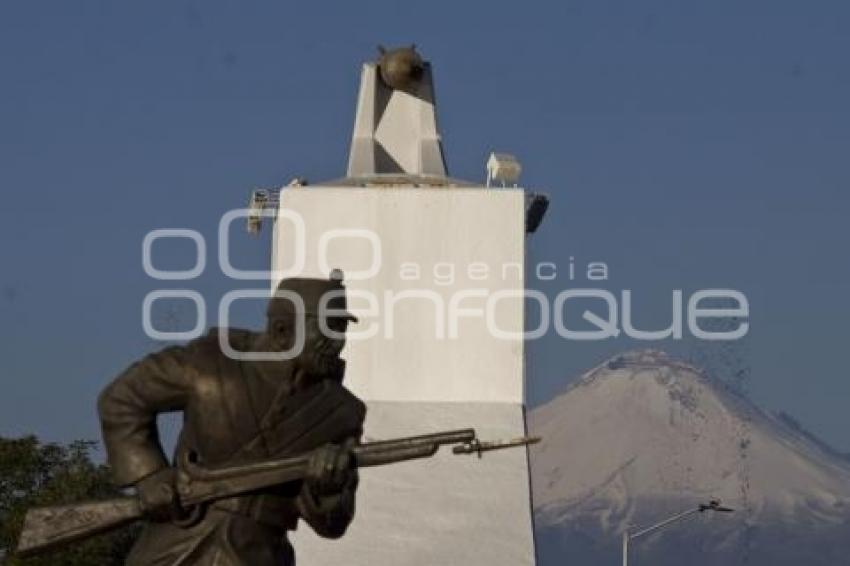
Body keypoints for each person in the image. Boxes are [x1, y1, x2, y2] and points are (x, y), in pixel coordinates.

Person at [97, 274, 365, 565]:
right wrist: (150, 476)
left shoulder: (343, 412)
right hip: (179, 544)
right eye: (328, 328)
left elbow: (333, 524)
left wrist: (328, 489)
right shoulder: (210, 361)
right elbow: (123, 398)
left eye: (341, 329)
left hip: (261, 553)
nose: (338, 342)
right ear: (282, 329)